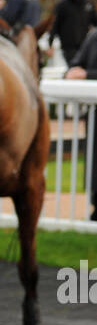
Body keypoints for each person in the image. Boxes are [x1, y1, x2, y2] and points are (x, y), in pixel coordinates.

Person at [66, 28, 97, 219]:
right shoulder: (93, 36)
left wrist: (87, 74)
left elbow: (85, 72)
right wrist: (71, 72)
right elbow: (77, 64)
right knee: (94, 161)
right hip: (94, 113)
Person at [39, 0, 97, 66]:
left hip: (85, 47)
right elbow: (54, 26)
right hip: (67, 48)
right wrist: (50, 44)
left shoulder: (89, 3)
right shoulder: (62, 5)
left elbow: (95, 22)